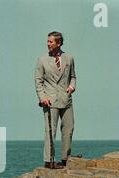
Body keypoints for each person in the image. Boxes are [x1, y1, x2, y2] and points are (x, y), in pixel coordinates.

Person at [34, 31, 76, 169]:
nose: (48, 44)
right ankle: (49, 160)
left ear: (58, 43)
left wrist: (72, 86)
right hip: (50, 101)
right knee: (50, 131)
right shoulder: (42, 60)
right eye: (47, 41)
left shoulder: (69, 58)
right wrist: (42, 97)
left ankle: (65, 159)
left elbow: (73, 76)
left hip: (66, 99)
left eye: (51, 42)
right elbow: (38, 81)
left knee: (68, 129)